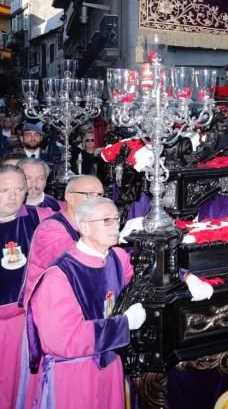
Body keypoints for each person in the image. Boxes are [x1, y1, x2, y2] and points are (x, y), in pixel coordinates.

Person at [24, 197, 144, 409]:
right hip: (75, 373)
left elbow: (146, 276)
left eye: (117, 219)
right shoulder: (59, 276)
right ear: (85, 227)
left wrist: (186, 277)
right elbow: (64, 339)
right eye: (106, 220)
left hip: (110, 364)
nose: (116, 226)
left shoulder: (115, 257)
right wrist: (123, 324)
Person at [0, 166, 53, 407]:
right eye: (4, 190)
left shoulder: (41, 219)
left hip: (26, 323)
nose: (13, 196)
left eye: (19, 189)